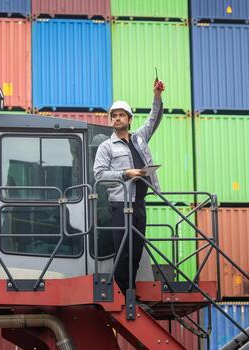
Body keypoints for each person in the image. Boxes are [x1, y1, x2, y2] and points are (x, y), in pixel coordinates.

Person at [94, 79, 165, 294]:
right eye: (113, 116)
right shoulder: (106, 147)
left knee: (136, 250)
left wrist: (157, 96)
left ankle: (130, 290)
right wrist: (126, 174)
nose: (116, 119)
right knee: (123, 251)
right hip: (120, 204)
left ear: (129, 119)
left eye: (121, 115)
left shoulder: (140, 139)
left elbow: (154, 119)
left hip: (139, 202)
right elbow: (99, 175)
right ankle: (123, 294)